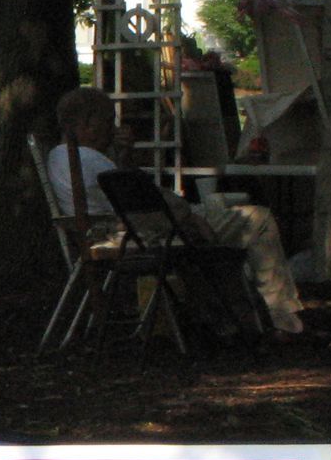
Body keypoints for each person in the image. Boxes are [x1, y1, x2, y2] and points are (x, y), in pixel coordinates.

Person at [49, 86, 303, 334]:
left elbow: (128, 192)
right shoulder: (91, 159)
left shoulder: (58, 157)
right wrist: (187, 216)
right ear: (87, 123)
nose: (113, 129)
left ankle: (230, 318)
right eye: (107, 121)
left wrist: (125, 157)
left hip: (120, 231)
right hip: (140, 235)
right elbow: (142, 198)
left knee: (220, 224)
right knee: (258, 219)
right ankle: (282, 317)